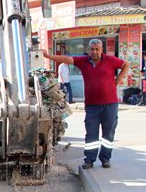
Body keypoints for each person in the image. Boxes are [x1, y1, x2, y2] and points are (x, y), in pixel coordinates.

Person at [44, 39, 129, 169]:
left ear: (101, 50)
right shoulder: (84, 61)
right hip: (92, 105)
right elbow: (67, 59)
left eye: (97, 49)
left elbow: (125, 65)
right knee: (91, 133)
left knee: (108, 133)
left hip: (110, 104)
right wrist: (49, 57)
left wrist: (118, 80)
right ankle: (89, 160)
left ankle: (105, 159)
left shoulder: (110, 60)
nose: (94, 52)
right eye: (92, 49)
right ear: (89, 50)